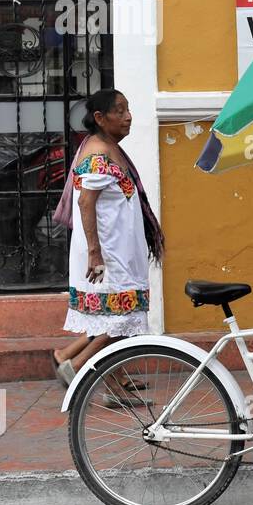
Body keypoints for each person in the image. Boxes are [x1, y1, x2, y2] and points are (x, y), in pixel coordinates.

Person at [51, 89, 164, 403]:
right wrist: (95, 252)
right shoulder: (98, 154)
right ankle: (77, 366)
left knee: (112, 319)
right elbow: (86, 202)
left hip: (115, 251)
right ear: (100, 118)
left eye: (128, 109)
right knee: (120, 319)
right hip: (108, 255)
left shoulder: (104, 147)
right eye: (120, 111)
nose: (128, 116)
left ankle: (113, 386)